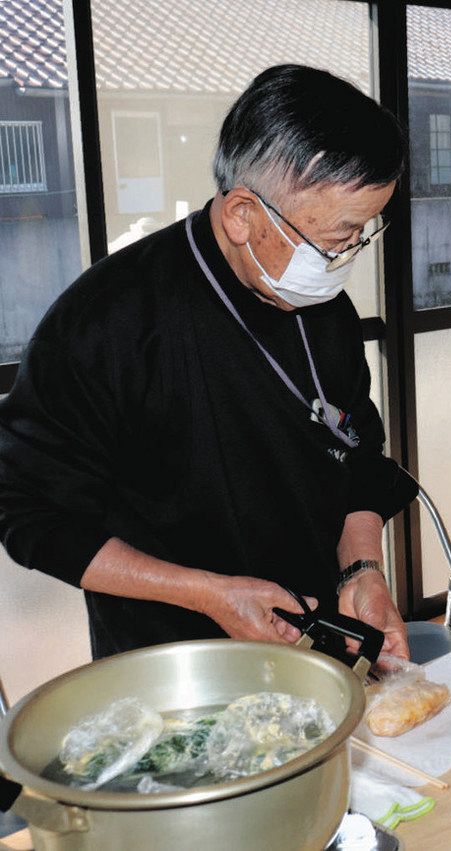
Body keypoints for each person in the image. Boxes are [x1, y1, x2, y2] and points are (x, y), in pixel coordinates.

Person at [0, 65, 417, 662]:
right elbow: (29, 511)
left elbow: (356, 455)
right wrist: (208, 594)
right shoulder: (106, 320)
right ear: (243, 214)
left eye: (360, 236)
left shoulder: (323, 308)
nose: (345, 258)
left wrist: (361, 569)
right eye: (334, 239)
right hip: (170, 661)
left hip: (313, 637)